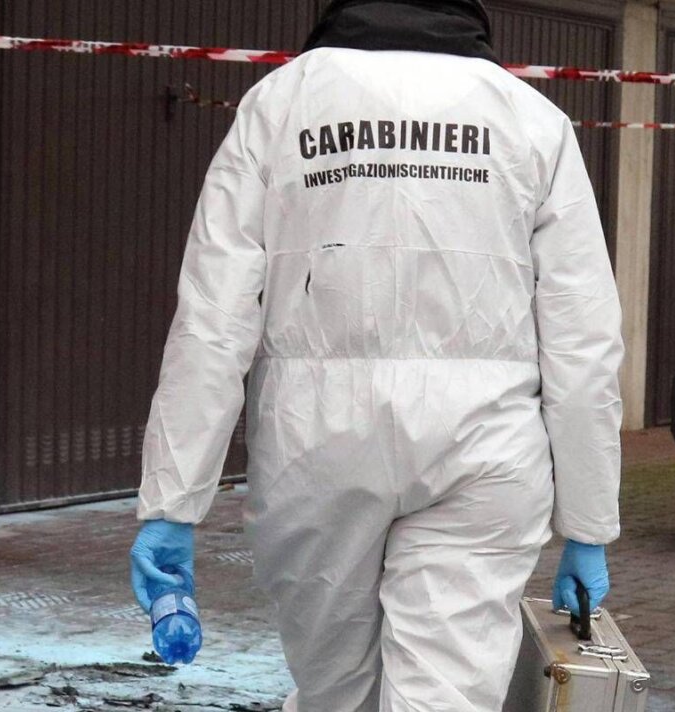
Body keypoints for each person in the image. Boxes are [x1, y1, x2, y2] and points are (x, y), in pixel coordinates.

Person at [128, 0, 624, 709]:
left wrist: (173, 502)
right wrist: (588, 523)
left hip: (316, 447)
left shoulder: (281, 104)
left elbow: (213, 316)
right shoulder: (532, 120)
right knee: (447, 695)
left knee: (335, 693)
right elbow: (583, 336)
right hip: (485, 451)